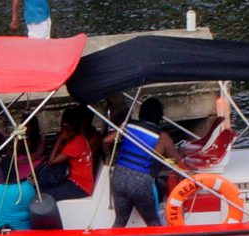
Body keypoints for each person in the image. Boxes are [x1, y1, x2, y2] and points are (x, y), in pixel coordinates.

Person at [108, 97, 177, 229]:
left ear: (141, 113)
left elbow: (106, 140)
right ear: (160, 116)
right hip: (140, 181)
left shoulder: (129, 126)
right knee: (153, 223)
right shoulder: (162, 137)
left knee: (120, 221)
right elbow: (178, 161)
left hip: (119, 176)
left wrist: (108, 156)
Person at [38, 108, 96, 204]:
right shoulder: (79, 138)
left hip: (81, 186)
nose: (61, 127)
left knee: (45, 196)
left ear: (71, 125)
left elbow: (52, 161)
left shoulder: (76, 143)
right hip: (75, 180)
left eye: (64, 124)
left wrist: (59, 139)